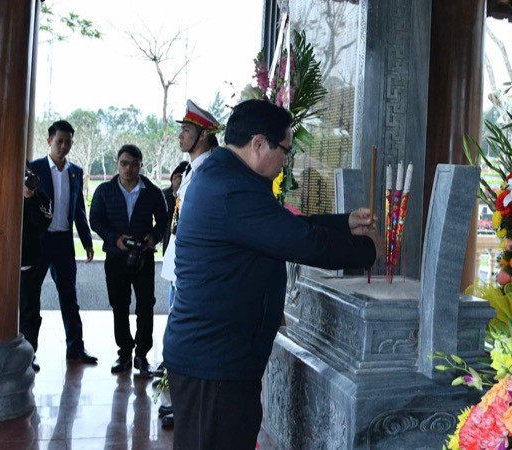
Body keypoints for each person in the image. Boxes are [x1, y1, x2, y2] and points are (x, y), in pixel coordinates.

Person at [163, 99, 379, 449]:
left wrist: (345, 223)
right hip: (214, 362)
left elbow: (283, 226)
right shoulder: (231, 188)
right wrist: (368, 250)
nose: (286, 161)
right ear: (259, 144)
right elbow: (301, 242)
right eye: (285, 151)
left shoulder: (227, 176)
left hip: (216, 358)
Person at [89, 145, 168, 377]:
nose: (129, 168)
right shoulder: (104, 191)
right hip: (115, 257)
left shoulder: (152, 192)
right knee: (119, 305)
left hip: (143, 257)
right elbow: (95, 220)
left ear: (141, 165)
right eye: (124, 163)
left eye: (134, 164)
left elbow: (163, 220)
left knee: (145, 305)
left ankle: (142, 354)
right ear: (117, 164)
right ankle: (124, 352)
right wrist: (115, 239)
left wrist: (152, 237)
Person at [29, 120, 97, 365]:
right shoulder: (34, 168)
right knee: (31, 298)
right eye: (59, 141)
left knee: (69, 296)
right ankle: (29, 353)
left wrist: (87, 241)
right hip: (40, 242)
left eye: (68, 142)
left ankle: (75, 348)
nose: (64, 146)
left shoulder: (75, 172)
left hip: (64, 243)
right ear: (49, 141)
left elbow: (79, 209)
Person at [160, 99, 220, 307]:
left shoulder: (209, 172)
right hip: (179, 268)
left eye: (186, 130)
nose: (180, 135)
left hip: (191, 272)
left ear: (203, 134)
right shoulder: (191, 169)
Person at [19, 162, 53, 372]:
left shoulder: (41, 197)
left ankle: (29, 355)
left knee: (30, 312)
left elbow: (42, 223)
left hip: (29, 263)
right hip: (0, 267)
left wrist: (29, 198)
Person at [161, 161, 188, 254]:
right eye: (177, 177)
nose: (179, 180)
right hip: (169, 237)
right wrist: (175, 192)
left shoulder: (192, 193)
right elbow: (165, 216)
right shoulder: (164, 193)